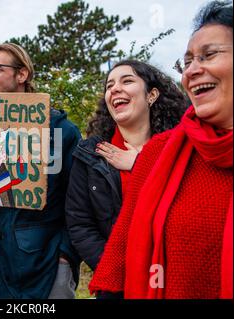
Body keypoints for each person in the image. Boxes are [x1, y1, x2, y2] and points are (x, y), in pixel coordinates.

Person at [89, 0, 232, 299]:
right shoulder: (160, 153)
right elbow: (116, 247)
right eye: (187, 62)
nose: (192, 70)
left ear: (152, 94)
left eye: (208, 55)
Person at [0, 43, 81, 299]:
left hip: (47, 269)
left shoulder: (62, 132)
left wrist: (65, 256)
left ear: (22, 75)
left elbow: (78, 203)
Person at [65, 60, 186, 272]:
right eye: (109, 86)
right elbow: (80, 223)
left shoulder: (179, 147)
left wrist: (140, 164)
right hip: (117, 281)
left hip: (173, 273)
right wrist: (115, 270)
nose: (115, 89)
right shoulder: (90, 153)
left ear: (152, 95)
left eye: (127, 81)